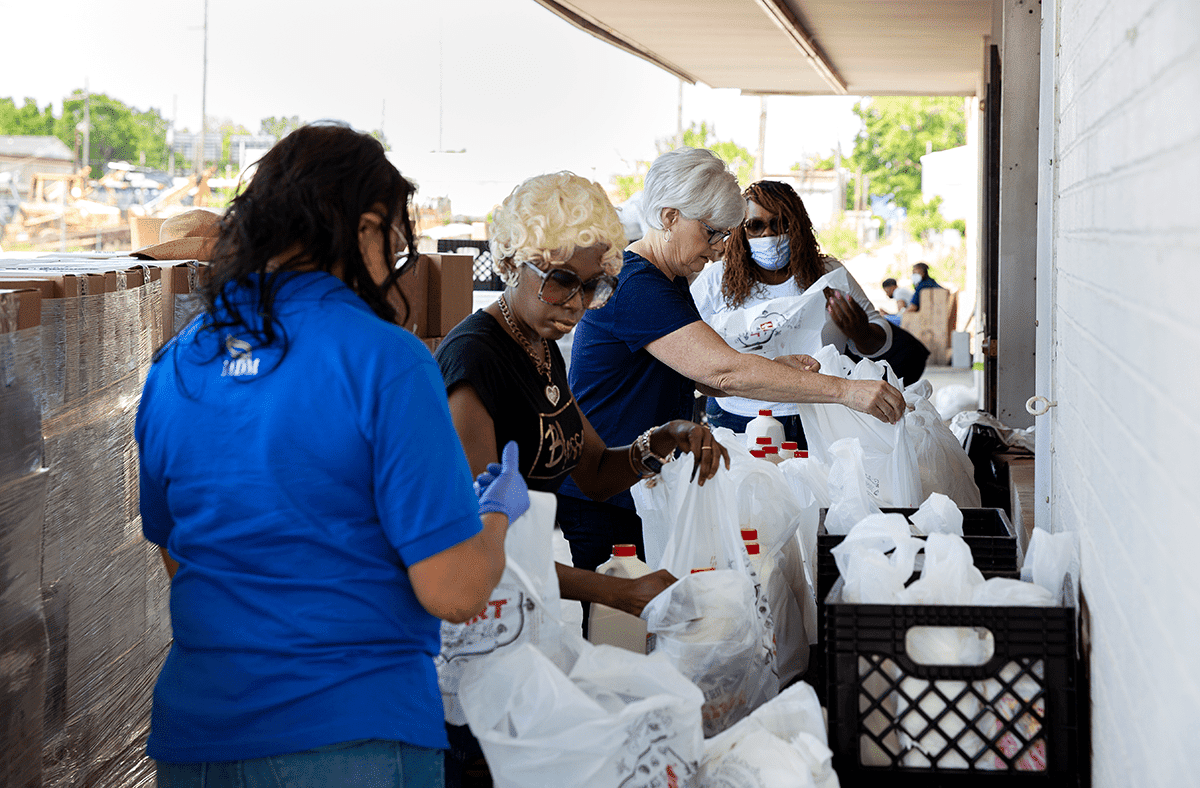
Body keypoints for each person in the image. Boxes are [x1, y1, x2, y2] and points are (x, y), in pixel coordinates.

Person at [136, 123, 527, 788]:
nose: (391, 265)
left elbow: (179, 553)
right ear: (366, 226)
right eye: (395, 243)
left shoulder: (178, 364)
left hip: (197, 744)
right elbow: (454, 589)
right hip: (349, 736)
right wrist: (495, 518)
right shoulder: (385, 360)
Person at [435, 170, 730, 788]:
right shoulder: (476, 363)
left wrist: (661, 441)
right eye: (562, 281)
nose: (575, 304)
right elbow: (470, 554)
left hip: (526, 618)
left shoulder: (539, 350)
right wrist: (616, 592)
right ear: (514, 261)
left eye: (593, 287)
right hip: (479, 642)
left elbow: (592, 471)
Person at [560, 147, 905, 553]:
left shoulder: (667, 279)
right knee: (618, 613)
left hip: (637, 480)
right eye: (712, 232)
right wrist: (847, 392)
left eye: (725, 234)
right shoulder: (636, 285)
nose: (722, 247)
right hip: (606, 491)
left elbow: (696, 372)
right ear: (670, 216)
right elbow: (723, 371)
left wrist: (772, 367)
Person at [690, 179, 895, 445]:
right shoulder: (715, 280)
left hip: (815, 413)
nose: (768, 235)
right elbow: (692, 349)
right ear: (741, 230)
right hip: (736, 416)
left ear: (796, 225)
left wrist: (861, 331)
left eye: (780, 223)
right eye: (756, 225)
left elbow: (880, 341)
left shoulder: (829, 274)